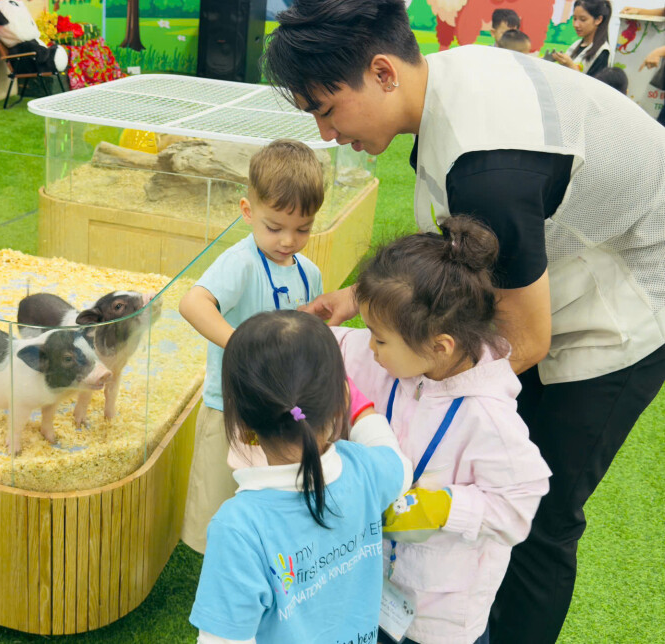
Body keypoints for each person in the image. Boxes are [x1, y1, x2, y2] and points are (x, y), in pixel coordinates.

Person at [263, 2, 665, 642]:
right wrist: (360, 297)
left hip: (628, 298)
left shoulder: (489, 166)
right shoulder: (440, 86)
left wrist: (407, 378)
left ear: (383, 72)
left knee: (541, 513)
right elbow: (454, 249)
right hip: (560, 265)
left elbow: (525, 342)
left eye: (327, 109)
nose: (326, 132)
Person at [335, 217, 551, 644]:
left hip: (438, 618)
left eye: (379, 339)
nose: (369, 346)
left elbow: (520, 501)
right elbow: (333, 348)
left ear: (440, 346)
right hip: (370, 586)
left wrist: (445, 508)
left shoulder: (488, 417)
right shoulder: (394, 358)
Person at [189, 310, 412, 644]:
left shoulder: (239, 527)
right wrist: (360, 409)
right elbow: (399, 466)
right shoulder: (364, 468)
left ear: (242, 421)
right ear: (339, 404)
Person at [178, 139, 325, 554]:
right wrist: (241, 344)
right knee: (219, 505)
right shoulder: (240, 262)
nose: (288, 240)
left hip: (282, 411)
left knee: (269, 505)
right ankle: (220, 572)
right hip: (231, 410)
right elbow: (192, 303)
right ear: (247, 211)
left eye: (303, 229)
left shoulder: (309, 272)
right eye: (274, 227)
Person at [552, 0, 611, 76]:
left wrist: (571, 66)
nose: (576, 25)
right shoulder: (575, 44)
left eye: (583, 19)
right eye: (575, 19)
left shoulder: (603, 51)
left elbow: (595, 83)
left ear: (598, 20)